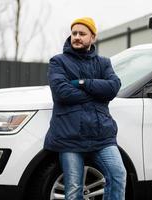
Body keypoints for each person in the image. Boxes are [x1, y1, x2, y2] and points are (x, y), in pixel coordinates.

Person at [44, 17, 126, 200]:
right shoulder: (58, 62)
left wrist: (82, 83)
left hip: (102, 135)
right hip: (69, 136)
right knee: (73, 189)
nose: (77, 37)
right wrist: (97, 93)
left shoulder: (103, 63)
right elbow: (61, 92)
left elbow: (113, 87)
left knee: (118, 175)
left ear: (93, 37)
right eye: (74, 33)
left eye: (82, 33)